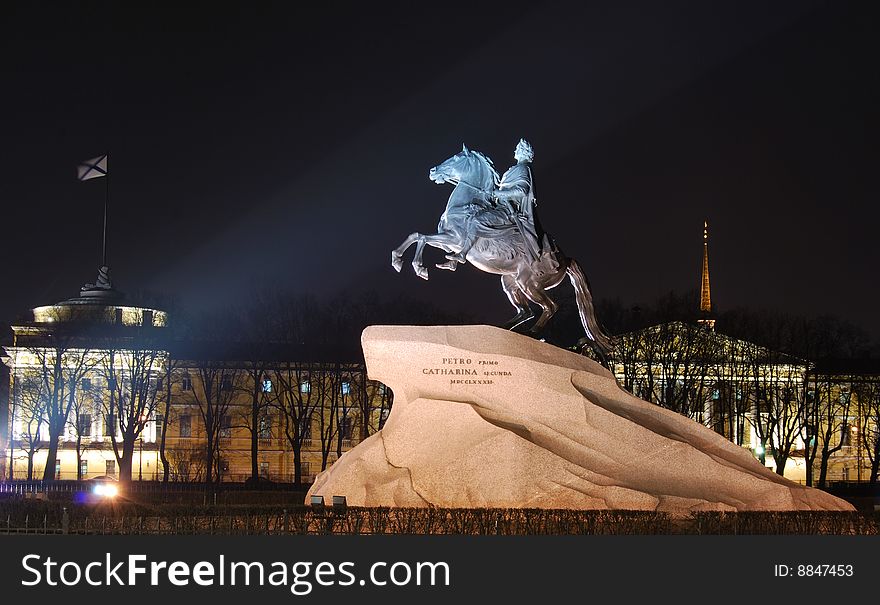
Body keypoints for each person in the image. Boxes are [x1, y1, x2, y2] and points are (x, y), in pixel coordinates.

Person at [445, 138, 543, 264]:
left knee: (476, 220)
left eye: (517, 149)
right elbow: (503, 191)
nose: (515, 151)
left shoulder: (522, 168)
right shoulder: (513, 170)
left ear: (522, 152)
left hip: (508, 211)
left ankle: (462, 254)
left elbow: (522, 191)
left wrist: (498, 193)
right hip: (501, 206)